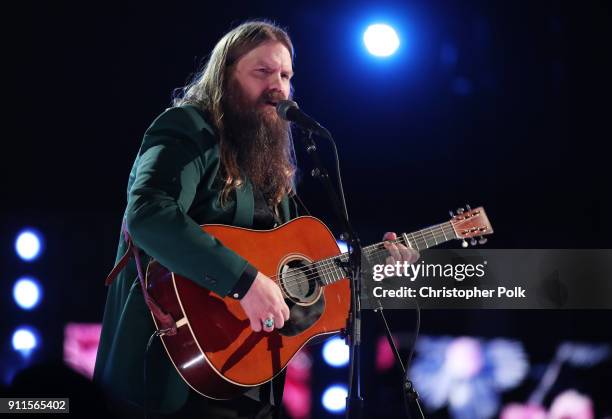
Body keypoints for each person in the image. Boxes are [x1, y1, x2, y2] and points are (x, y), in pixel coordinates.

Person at [94, 20, 418, 419]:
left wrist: (370, 266)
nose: (278, 85)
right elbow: (148, 212)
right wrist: (243, 281)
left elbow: (298, 278)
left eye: (285, 75)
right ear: (226, 75)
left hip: (250, 380)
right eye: (262, 72)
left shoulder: (271, 163)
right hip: (170, 370)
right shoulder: (187, 128)